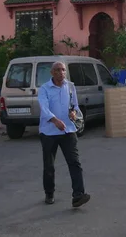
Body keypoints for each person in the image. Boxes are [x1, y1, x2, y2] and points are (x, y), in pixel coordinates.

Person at [37, 61, 90, 208]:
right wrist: (54, 120)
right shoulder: (45, 89)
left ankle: (78, 195)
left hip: (68, 130)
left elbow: (75, 106)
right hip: (49, 132)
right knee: (49, 165)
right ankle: (49, 193)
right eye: (58, 70)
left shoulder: (70, 87)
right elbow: (44, 108)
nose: (61, 73)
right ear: (52, 73)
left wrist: (73, 113)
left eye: (63, 70)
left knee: (74, 162)